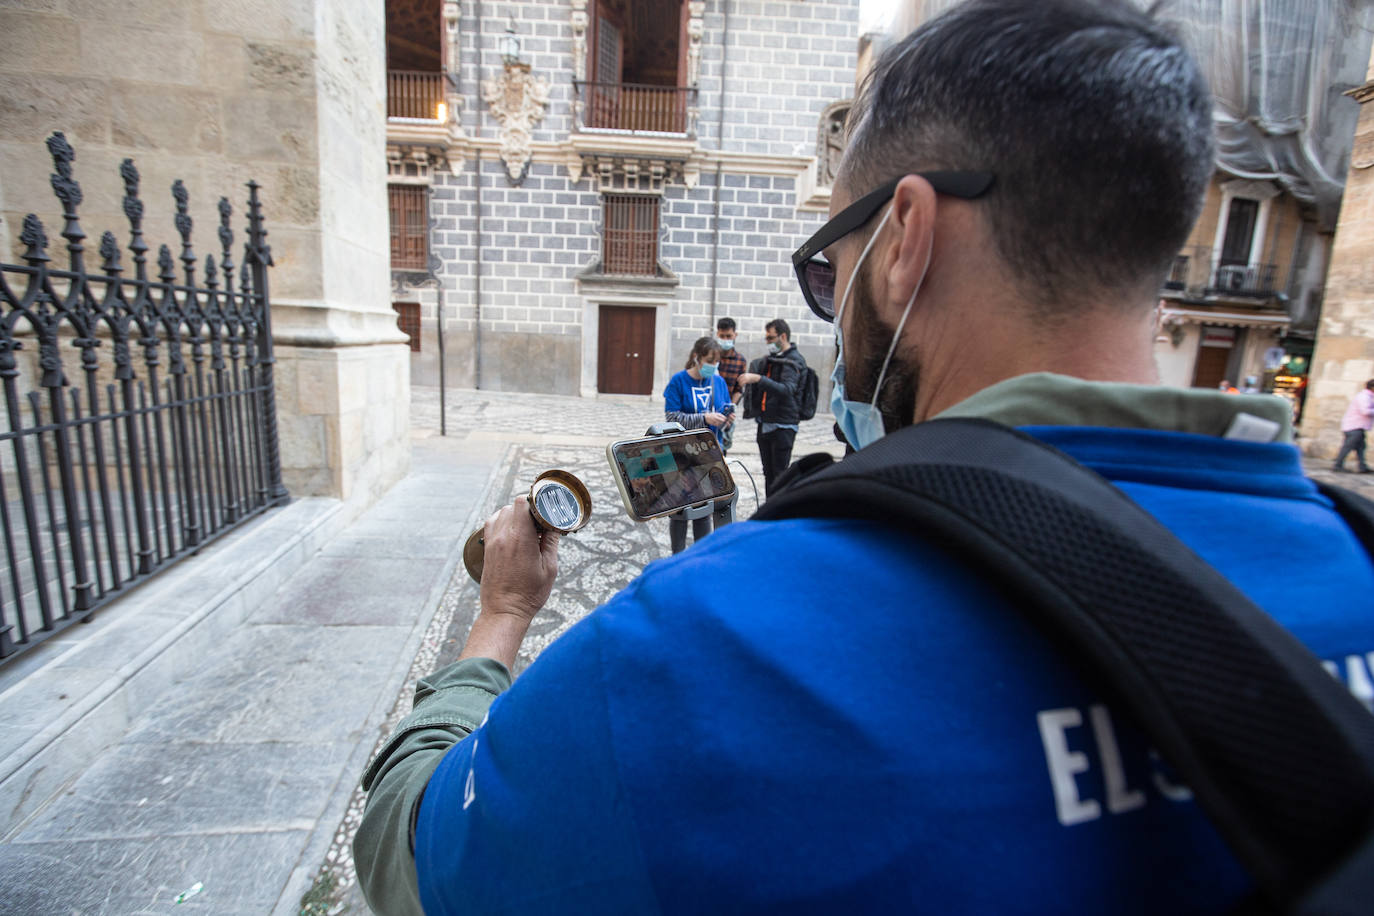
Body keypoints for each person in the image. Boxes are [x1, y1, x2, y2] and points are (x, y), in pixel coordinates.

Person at [354, 3, 1374, 912]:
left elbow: (411, 854)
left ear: (902, 242)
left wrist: (502, 614)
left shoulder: (712, 642)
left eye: (826, 271)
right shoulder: (1357, 561)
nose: (828, 310)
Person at [661, 336, 733, 552]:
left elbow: (724, 412)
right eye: (709, 361)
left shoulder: (718, 382)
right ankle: (678, 557)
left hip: (709, 457)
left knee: (704, 510)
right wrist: (704, 419)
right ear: (697, 357)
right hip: (682, 457)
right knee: (681, 511)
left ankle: (700, 557)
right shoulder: (678, 381)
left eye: (716, 361)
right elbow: (672, 418)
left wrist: (727, 420)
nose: (713, 366)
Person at [738, 318, 808, 495]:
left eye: (770, 338)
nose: (767, 342)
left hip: (783, 426)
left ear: (783, 336)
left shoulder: (794, 361)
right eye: (766, 338)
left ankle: (778, 512)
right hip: (766, 422)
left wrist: (758, 379)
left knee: (779, 474)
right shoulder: (775, 358)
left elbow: (787, 389)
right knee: (768, 473)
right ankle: (770, 511)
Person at [715, 317, 747, 453]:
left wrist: (730, 409)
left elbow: (738, 390)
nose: (725, 339)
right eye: (722, 336)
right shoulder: (711, 356)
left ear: (735, 335)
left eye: (729, 336)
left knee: (722, 452)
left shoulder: (740, 360)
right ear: (717, 334)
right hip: (707, 410)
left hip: (726, 413)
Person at [1333, 379, 1374, 473]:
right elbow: (1365, 411)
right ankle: (1338, 465)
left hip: (1359, 426)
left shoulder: (1369, 397)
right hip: (1354, 426)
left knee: (1361, 447)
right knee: (1348, 447)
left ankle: (1362, 466)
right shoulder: (1364, 397)